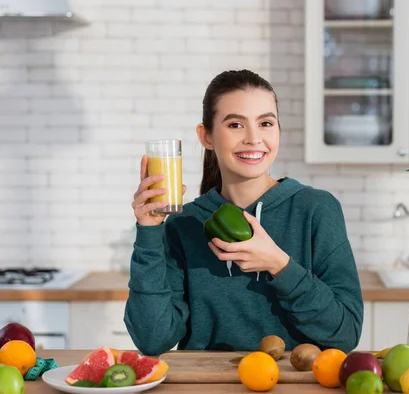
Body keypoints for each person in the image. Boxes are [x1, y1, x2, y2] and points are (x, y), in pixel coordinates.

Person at [124, 69, 364, 356]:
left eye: (265, 123)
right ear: (207, 136)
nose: (253, 138)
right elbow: (152, 339)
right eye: (235, 125)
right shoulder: (183, 224)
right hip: (209, 385)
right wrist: (149, 232)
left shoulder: (316, 209)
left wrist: (279, 265)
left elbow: (346, 335)